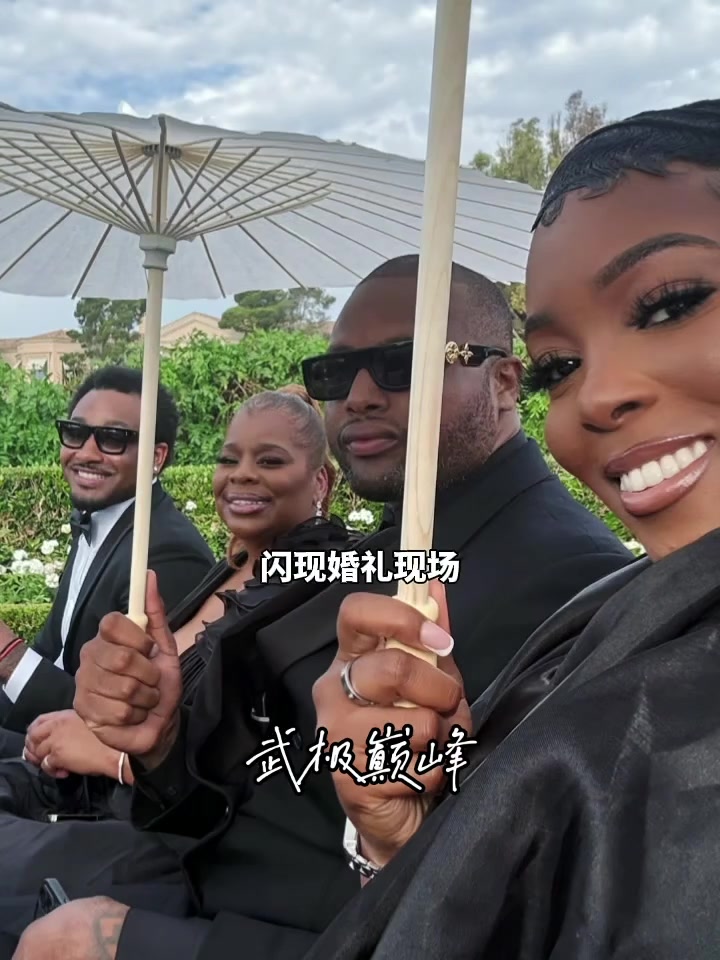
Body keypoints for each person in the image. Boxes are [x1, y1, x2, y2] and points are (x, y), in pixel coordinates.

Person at [17, 257, 633, 960]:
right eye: (336, 374)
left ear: (505, 381)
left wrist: (122, 940)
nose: (360, 396)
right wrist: (158, 740)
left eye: (403, 363)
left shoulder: (568, 586)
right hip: (171, 862)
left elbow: (485, 913)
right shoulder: (382, 549)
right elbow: (261, 787)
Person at [297, 99, 720, 960]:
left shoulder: (560, 579)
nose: (596, 396)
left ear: (501, 386)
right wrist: (403, 845)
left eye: (670, 304)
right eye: (564, 366)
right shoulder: (606, 615)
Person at [0, 386, 352, 918]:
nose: (241, 474)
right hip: (86, 793)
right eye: (228, 459)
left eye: (270, 461)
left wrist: (118, 758)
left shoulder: (323, 587)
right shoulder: (231, 568)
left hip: (166, 846)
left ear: (320, 481)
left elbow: (267, 769)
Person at [0, 366, 215, 757]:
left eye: (113, 438)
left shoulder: (166, 554)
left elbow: (118, 718)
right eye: (75, 433)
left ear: (156, 456)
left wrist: (7, 655)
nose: (85, 453)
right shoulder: (100, 519)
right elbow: (52, 653)